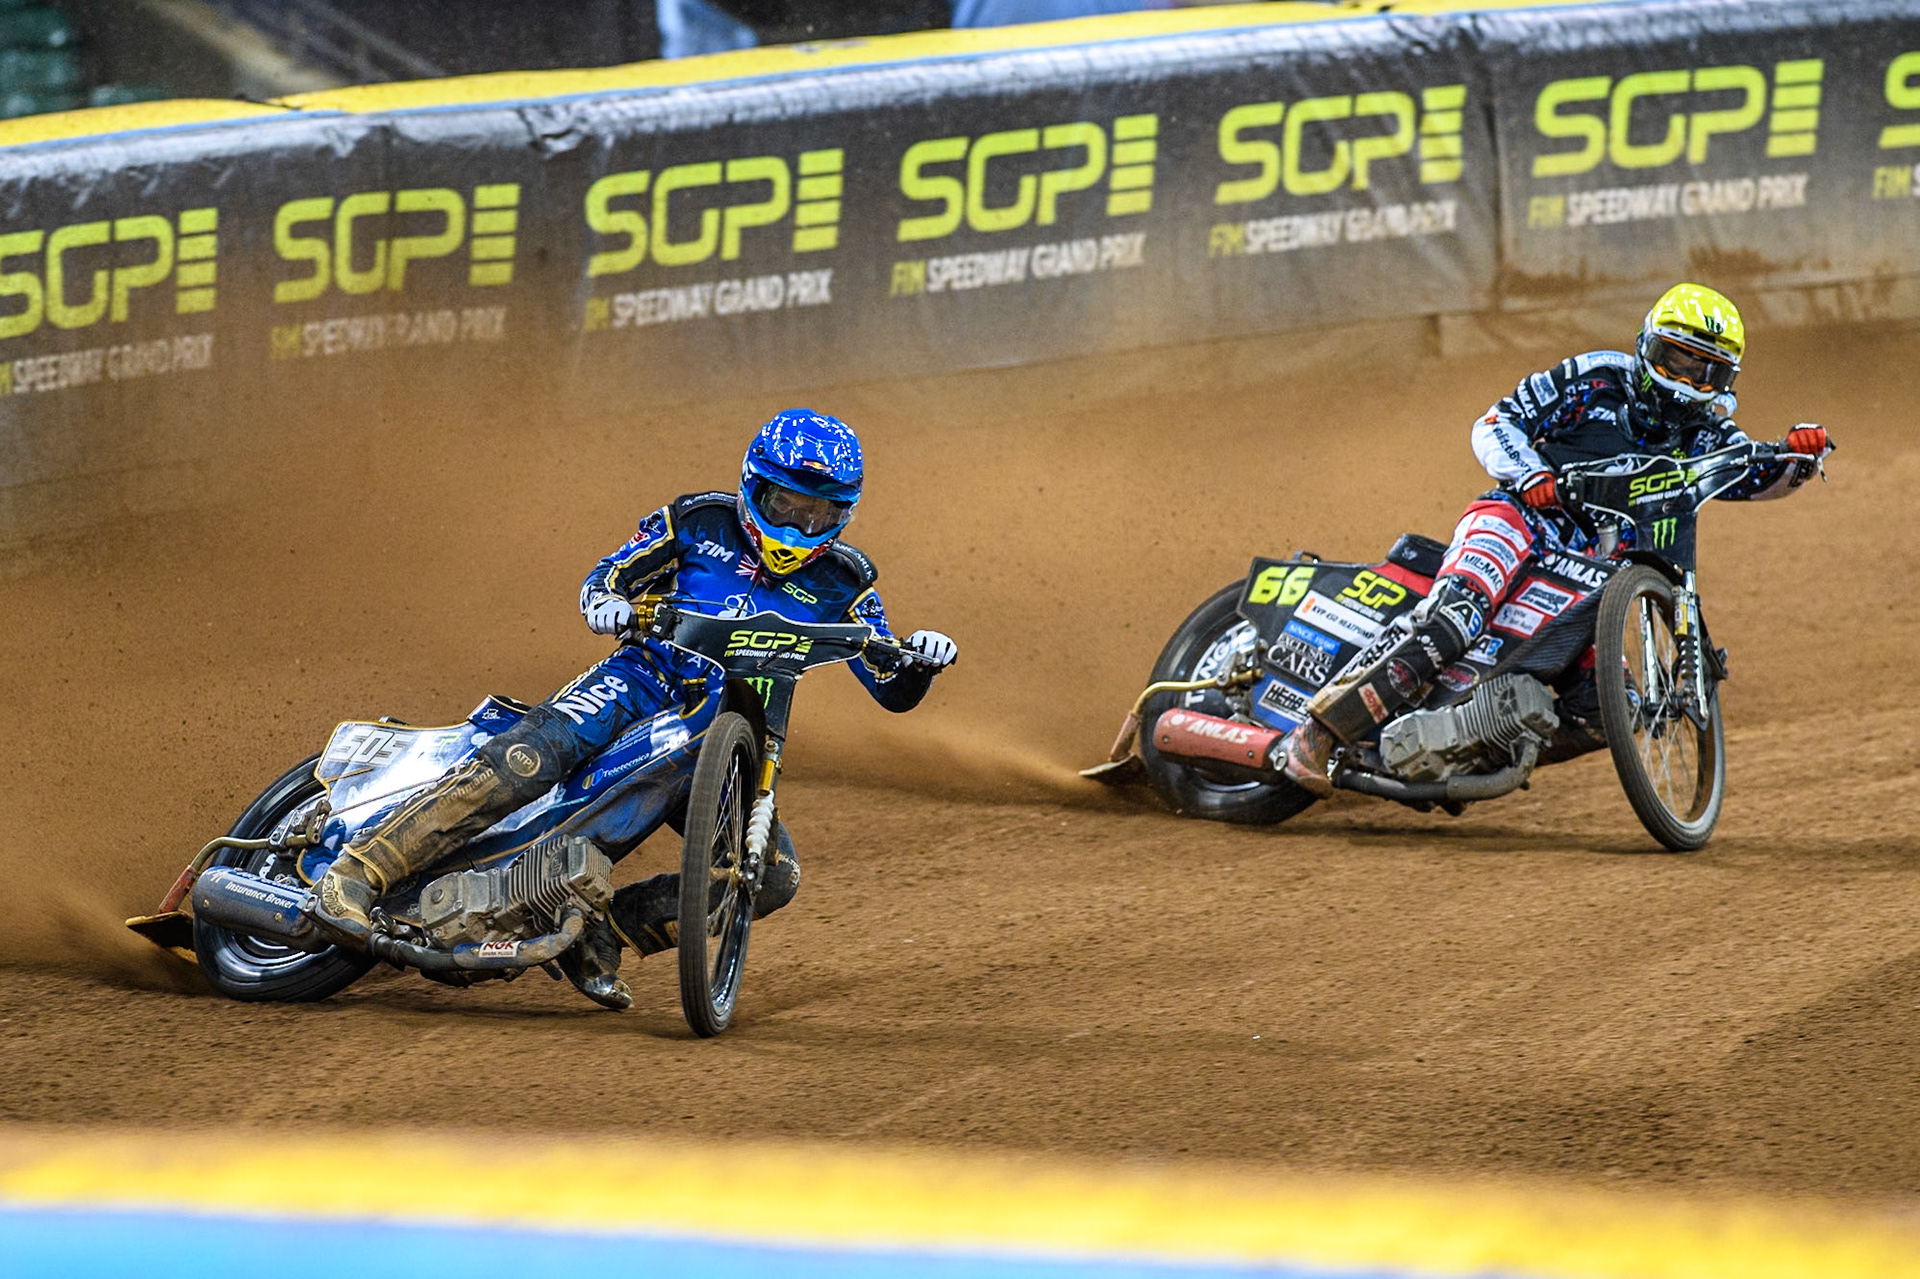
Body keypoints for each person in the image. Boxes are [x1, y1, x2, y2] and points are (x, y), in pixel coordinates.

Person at [311, 409, 958, 1008]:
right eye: (783, 503)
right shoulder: (699, 520)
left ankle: (608, 931)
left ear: (843, 513)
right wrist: (606, 602)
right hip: (642, 679)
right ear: (752, 485)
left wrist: (918, 661)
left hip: (729, 739)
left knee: (771, 876)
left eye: (817, 512)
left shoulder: (847, 580)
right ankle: (357, 873)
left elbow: (891, 686)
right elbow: (611, 574)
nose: (795, 525)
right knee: (531, 757)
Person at [1279, 282, 1831, 794]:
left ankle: (1467, 751)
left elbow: (1754, 476)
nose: (1687, 383)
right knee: (1457, 617)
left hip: (1588, 571)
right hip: (1518, 518)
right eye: (1677, 362)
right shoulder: (1594, 377)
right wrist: (1531, 475)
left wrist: (1799, 454)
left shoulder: (1707, 432)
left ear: (1726, 382)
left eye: (1706, 373)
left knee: (1606, 708)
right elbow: (1497, 421)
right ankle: (1321, 732)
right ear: (1646, 348)